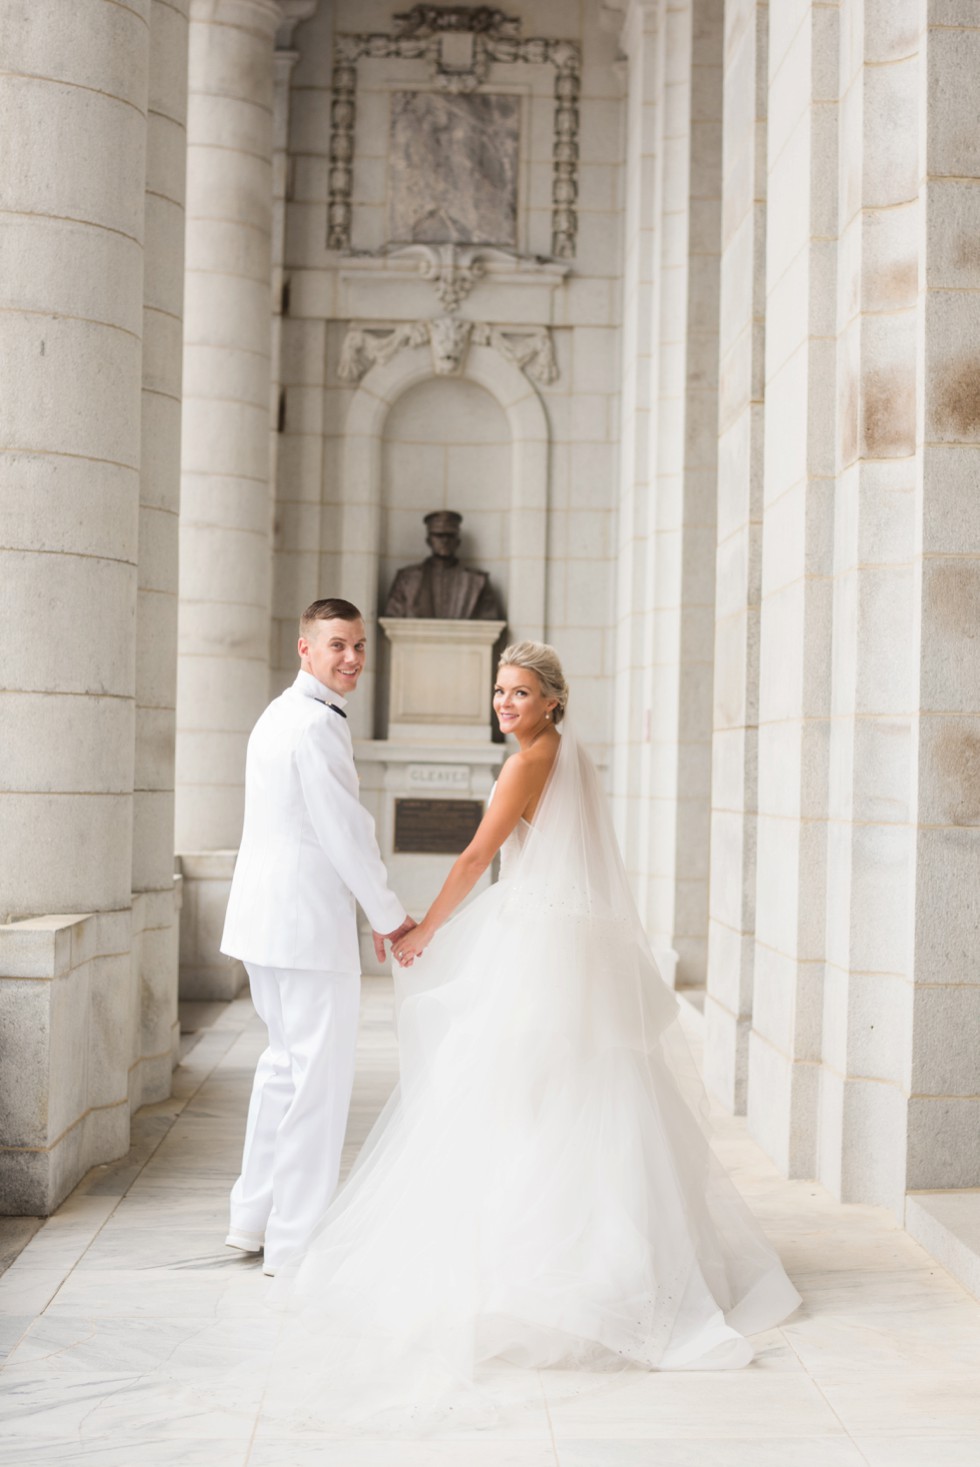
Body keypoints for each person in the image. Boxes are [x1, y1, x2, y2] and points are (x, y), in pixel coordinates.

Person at [271, 641, 800, 1422]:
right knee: (577, 1094)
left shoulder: (530, 760)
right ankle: (610, 1259)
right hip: (568, 940)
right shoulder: (564, 754)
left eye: (520, 692)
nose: (505, 703)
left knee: (518, 1093)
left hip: (541, 947)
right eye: (499, 690)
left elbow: (479, 853)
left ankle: (542, 1273)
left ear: (553, 700)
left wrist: (421, 933)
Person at [219, 598, 415, 1276]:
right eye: (337, 644)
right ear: (305, 647)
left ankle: (253, 1216)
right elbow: (345, 833)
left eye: (358, 644)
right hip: (303, 926)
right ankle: (296, 1237)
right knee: (317, 1083)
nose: (353, 657)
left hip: (265, 922)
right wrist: (390, 915)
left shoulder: (280, 713)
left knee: (282, 1069)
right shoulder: (316, 725)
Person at [382, 509, 502, 619]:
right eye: (439, 535)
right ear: (429, 540)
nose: (444, 540)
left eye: (450, 535)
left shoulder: (478, 581)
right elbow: (393, 618)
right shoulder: (406, 579)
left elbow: (489, 622)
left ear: (458, 541)